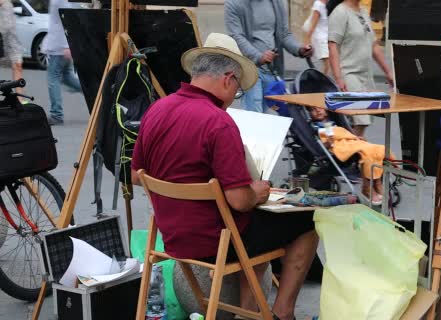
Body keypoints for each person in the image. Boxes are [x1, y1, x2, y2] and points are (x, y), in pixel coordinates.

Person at [130, 33, 319, 320]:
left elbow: (135, 175)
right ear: (228, 78)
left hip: (172, 239)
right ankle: (283, 313)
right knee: (306, 222)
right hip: (214, 243)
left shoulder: (158, 109)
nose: (234, 99)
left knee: (260, 226)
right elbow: (240, 201)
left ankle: (249, 311)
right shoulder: (219, 123)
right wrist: (256, 191)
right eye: (238, 91)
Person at [225, 0, 314, 113]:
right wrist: (258, 56)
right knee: (254, 113)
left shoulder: (276, 3)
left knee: (268, 115)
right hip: (250, 68)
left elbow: (284, 35)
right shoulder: (234, 3)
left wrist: (299, 49)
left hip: (272, 69)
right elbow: (236, 36)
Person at [328, 0, 393, 137]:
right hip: (349, 74)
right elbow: (333, 46)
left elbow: (374, 45)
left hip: (366, 76)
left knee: (363, 120)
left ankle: (351, 153)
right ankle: (351, 154)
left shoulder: (363, 12)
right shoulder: (340, 12)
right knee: (360, 120)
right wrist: (338, 78)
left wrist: (388, 72)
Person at [309, 106, 389, 204]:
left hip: (348, 141)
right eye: (313, 110)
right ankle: (367, 187)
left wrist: (355, 138)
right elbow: (323, 143)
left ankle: (377, 182)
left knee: (378, 149)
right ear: (310, 115)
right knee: (365, 152)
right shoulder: (316, 126)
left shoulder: (334, 123)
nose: (317, 110)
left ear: (326, 112)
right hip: (339, 146)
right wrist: (329, 142)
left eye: (319, 108)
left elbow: (345, 134)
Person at [44, 0, 82, 125]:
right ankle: (97, 93)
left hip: (59, 47)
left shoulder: (60, 1)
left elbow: (68, 19)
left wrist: (67, 45)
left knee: (53, 79)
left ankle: (56, 115)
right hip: (60, 46)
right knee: (67, 77)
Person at [0, 0, 24, 94]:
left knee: (18, 65)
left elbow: (10, 26)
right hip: (2, 39)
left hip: (11, 41)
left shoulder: (8, 5)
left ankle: (20, 99)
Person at [304, 0, 330, 75]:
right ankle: (323, 82)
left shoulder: (331, 4)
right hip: (320, 38)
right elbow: (312, 25)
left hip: (328, 37)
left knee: (330, 64)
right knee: (328, 64)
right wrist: (307, 41)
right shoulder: (318, 4)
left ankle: (323, 81)